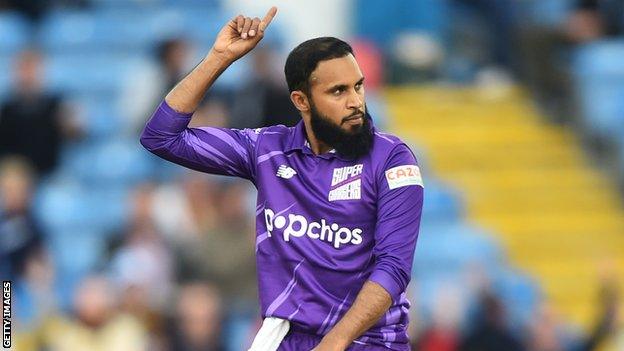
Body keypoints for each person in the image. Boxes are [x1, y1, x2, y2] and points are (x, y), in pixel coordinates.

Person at [140, 6, 424, 351]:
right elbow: (161, 137)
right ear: (301, 100)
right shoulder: (267, 150)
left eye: (358, 87)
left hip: (370, 341)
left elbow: (393, 267)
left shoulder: (391, 158)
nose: (355, 102)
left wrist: (333, 344)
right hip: (286, 339)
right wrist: (219, 58)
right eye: (338, 91)